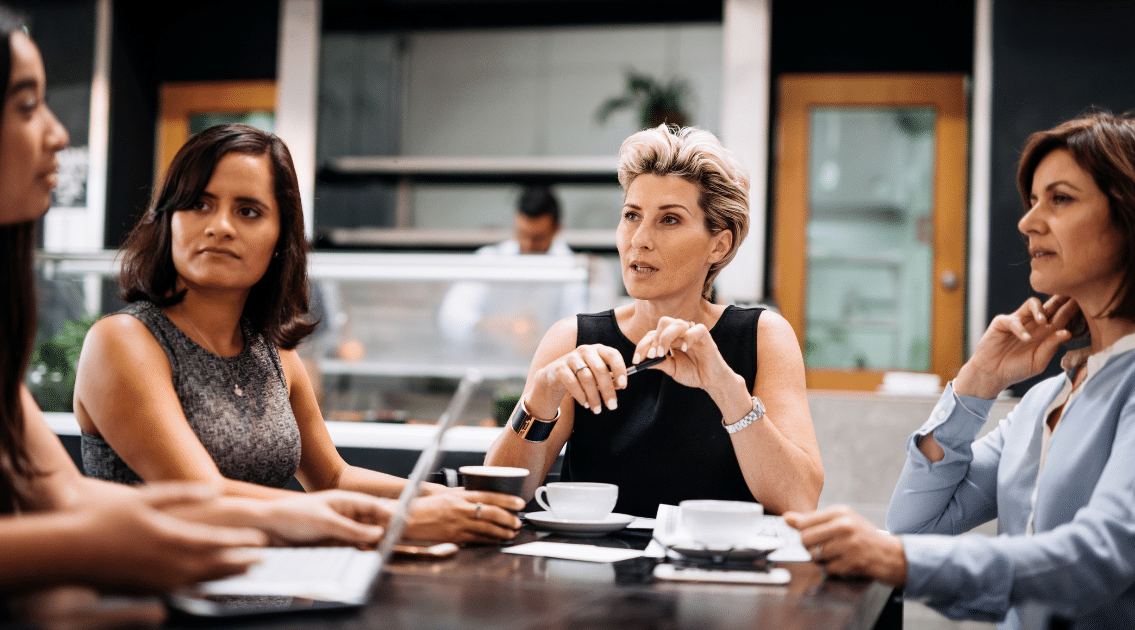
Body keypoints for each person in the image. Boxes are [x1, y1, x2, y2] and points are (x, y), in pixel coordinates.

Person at [0, 1, 394, 601]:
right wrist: (102, 541)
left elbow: (62, 491)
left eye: (248, 211)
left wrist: (296, 516)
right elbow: (92, 510)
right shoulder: (126, 338)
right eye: (26, 106)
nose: (58, 132)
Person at [74, 123, 524, 545]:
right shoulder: (123, 343)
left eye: (248, 211)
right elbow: (203, 497)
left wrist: (441, 499)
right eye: (199, 204)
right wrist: (395, 521)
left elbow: (331, 478)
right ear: (168, 219)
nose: (220, 226)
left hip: (273, 594)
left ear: (279, 240)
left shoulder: (273, 353)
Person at [784, 112, 1135, 629]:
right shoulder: (1046, 401)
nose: (1028, 222)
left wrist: (898, 561)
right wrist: (979, 380)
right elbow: (913, 527)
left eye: (1060, 199)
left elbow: (1099, 557)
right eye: (1033, 200)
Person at [485, 125, 823, 518]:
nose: (639, 239)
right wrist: (540, 399)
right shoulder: (572, 339)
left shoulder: (764, 337)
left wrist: (725, 389)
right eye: (631, 215)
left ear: (720, 244)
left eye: (669, 220)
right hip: (590, 574)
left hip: (717, 573)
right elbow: (495, 496)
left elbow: (800, 500)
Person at [437, 185, 587, 350]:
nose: (528, 245)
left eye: (537, 238)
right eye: (522, 234)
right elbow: (450, 317)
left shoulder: (573, 272)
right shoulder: (491, 259)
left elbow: (578, 329)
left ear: (557, 229)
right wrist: (501, 327)